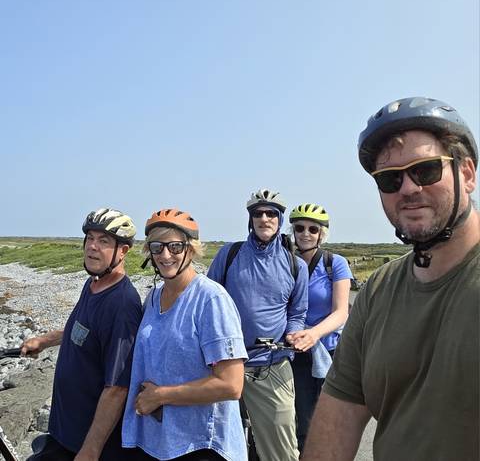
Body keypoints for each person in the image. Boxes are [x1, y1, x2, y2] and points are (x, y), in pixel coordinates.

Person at [302, 97, 480, 461]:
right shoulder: (378, 291)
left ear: (467, 173)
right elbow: (338, 418)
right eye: (390, 178)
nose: (409, 188)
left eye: (426, 170)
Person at [122, 208, 247, 461]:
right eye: (157, 247)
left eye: (175, 247)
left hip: (201, 445)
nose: (166, 255)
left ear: (190, 249)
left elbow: (231, 385)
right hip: (161, 441)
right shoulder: (154, 296)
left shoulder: (211, 300)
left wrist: (161, 396)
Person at [22, 208, 142, 461]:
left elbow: (117, 387)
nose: (93, 247)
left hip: (89, 444)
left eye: (104, 241)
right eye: (90, 238)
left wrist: (91, 450)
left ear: (123, 251)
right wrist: (43, 341)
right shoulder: (94, 284)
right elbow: (80, 328)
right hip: (65, 431)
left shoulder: (121, 305)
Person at [208, 189, 309, 461]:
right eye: (258, 213)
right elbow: (209, 302)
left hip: (272, 363)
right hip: (227, 364)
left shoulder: (295, 265)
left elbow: (298, 312)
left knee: (282, 451)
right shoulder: (229, 254)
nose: (264, 218)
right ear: (250, 219)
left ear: (279, 219)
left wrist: (293, 334)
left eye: (271, 213)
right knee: (216, 443)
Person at [287, 203, 352, 453]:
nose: (305, 233)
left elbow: (341, 311)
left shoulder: (334, 263)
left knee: (328, 421)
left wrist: (313, 334)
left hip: (328, 351)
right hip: (295, 351)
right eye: (299, 227)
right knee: (300, 421)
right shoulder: (286, 262)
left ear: (321, 234)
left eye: (313, 229)